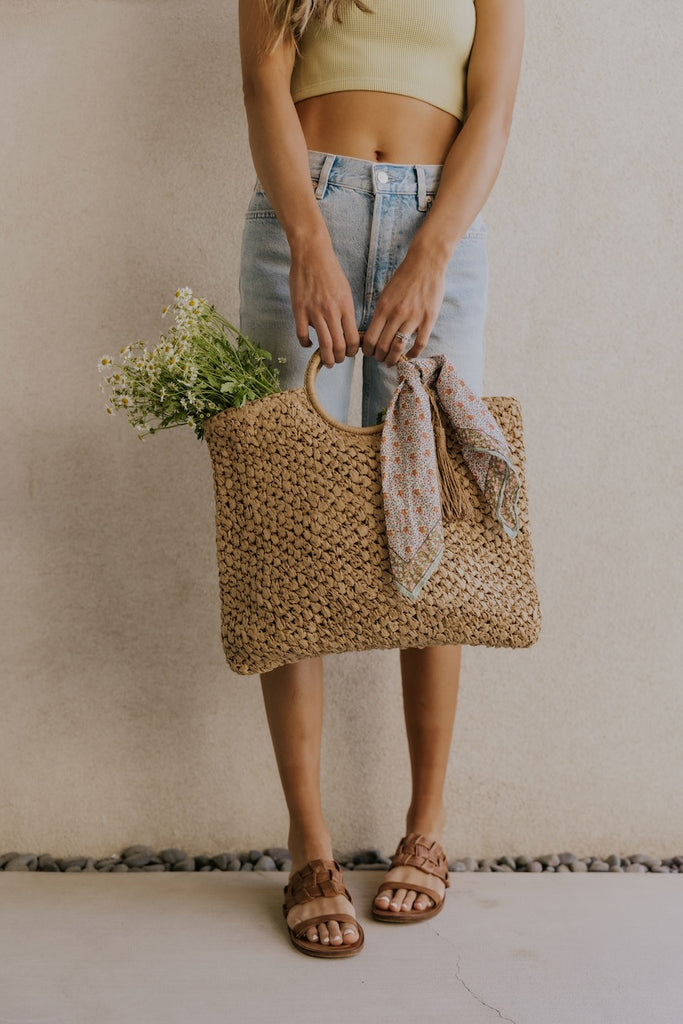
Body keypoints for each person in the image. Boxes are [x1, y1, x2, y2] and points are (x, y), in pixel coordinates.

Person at [238, 0, 524, 957]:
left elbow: (493, 104)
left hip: (438, 224)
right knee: (290, 513)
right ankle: (309, 845)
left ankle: (426, 827)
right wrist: (309, 238)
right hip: (299, 216)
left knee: (432, 517)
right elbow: (263, 83)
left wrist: (433, 248)